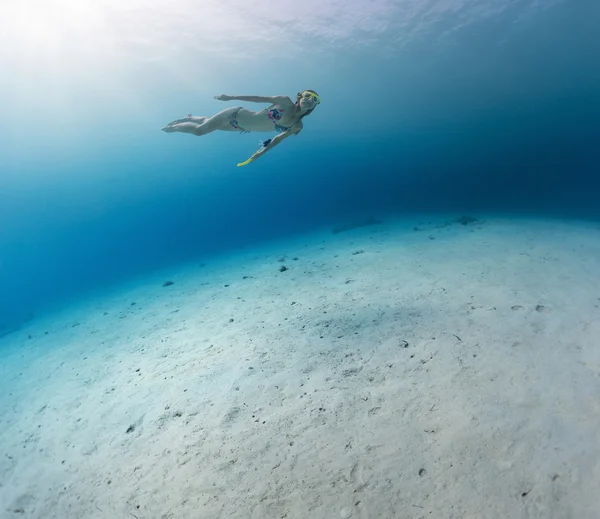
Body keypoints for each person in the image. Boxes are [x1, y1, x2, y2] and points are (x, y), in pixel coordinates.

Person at [161, 90, 321, 166]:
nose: (309, 100)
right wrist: (230, 97)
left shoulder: (297, 125)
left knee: (208, 122)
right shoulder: (284, 101)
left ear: (315, 105)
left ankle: (189, 117)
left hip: (238, 127)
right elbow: (258, 98)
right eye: (307, 96)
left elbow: (278, 139)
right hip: (235, 114)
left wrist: (260, 153)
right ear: (300, 97)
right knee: (200, 131)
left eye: (314, 99)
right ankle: (174, 127)